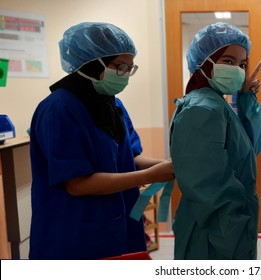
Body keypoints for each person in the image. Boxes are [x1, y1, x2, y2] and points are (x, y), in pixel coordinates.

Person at [29, 22, 174, 260]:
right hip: (75, 232)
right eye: (120, 66)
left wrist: (167, 165)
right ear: (92, 63)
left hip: (120, 224)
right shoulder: (59, 109)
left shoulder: (113, 104)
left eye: (130, 67)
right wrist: (151, 176)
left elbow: (131, 157)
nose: (126, 74)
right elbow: (78, 184)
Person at [169, 22, 261, 259]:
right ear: (204, 60)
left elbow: (249, 148)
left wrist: (245, 98)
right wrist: (233, 236)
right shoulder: (203, 109)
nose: (238, 69)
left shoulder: (217, 104)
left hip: (226, 228)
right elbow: (209, 192)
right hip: (216, 236)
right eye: (228, 61)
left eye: (242, 64)